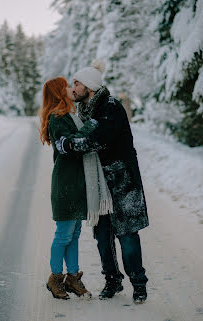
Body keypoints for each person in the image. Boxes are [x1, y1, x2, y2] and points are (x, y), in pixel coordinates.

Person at [55, 60, 149, 304]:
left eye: (76, 84)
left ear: (90, 87)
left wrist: (68, 144)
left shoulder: (110, 107)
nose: (72, 88)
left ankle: (138, 284)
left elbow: (95, 139)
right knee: (102, 235)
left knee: (127, 236)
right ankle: (112, 280)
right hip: (101, 184)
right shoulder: (85, 110)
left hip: (123, 181)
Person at [39, 77, 100, 300]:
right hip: (65, 183)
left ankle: (72, 277)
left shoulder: (70, 115)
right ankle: (55, 278)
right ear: (58, 93)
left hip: (76, 182)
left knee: (74, 235)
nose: (70, 89)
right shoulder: (57, 118)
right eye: (65, 86)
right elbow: (69, 145)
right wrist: (91, 127)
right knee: (63, 235)